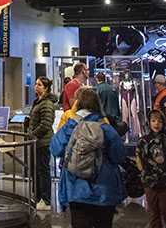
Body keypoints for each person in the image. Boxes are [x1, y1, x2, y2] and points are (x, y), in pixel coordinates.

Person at [50, 86, 126, 227]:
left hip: (76, 191)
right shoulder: (106, 128)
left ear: (78, 103)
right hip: (104, 191)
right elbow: (119, 156)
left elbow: (55, 148)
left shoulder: (70, 126)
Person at [29, 76, 57, 211]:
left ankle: (46, 200)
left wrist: (34, 134)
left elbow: (46, 123)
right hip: (35, 142)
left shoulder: (47, 104)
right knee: (35, 170)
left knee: (43, 170)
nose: (36, 86)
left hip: (43, 142)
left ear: (46, 88)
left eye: (39, 85)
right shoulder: (38, 102)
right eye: (36, 84)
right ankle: (38, 196)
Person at [137, 109, 166, 228]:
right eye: (153, 121)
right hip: (149, 182)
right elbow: (140, 160)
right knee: (153, 212)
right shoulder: (143, 141)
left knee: (165, 209)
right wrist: (144, 175)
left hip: (164, 182)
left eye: (160, 121)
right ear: (149, 122)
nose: (156, 124)